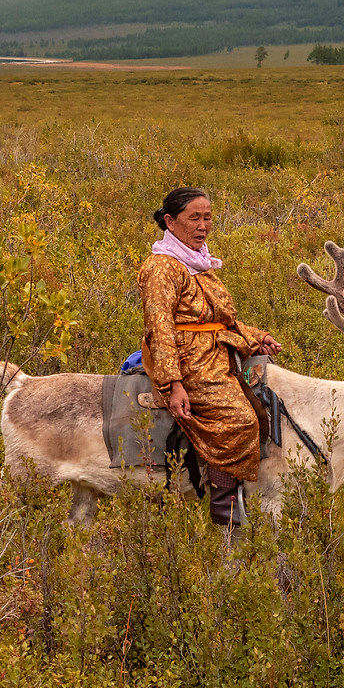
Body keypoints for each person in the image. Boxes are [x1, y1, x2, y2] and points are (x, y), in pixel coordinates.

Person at [137, 187, 282, 526]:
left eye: (207, 218)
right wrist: (173, 384)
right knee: (237, 420)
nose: (203, 226)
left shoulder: (198, 263)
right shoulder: (162, 268)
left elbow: (221, 320)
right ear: (170, 222)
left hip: (215, 352)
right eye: (194, 218)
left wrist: (256, 338)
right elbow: (159, 328)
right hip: (190, 361)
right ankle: (225, 512)